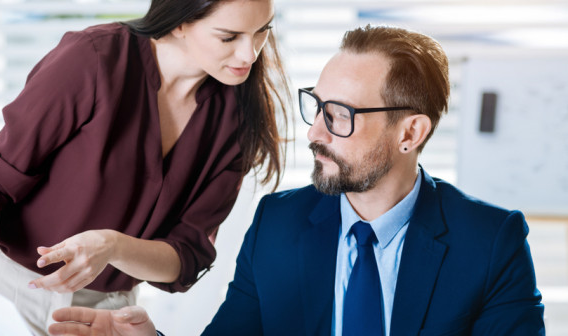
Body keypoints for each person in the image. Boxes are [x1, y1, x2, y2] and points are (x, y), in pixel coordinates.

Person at [46, 25, 546, 336]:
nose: (314, 133)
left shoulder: (489, 241)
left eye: (341, 115)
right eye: (318, 107)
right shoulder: (278, 224)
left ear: (410, 132)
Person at [0, 0, 290, 334]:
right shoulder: (93, 59)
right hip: (6, 292)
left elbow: (185, 257)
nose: (250, 53)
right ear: (181, 22)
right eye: (229, 37)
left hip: (104, 316)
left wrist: (113, 246)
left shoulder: (237, 118)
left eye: (262, 32)